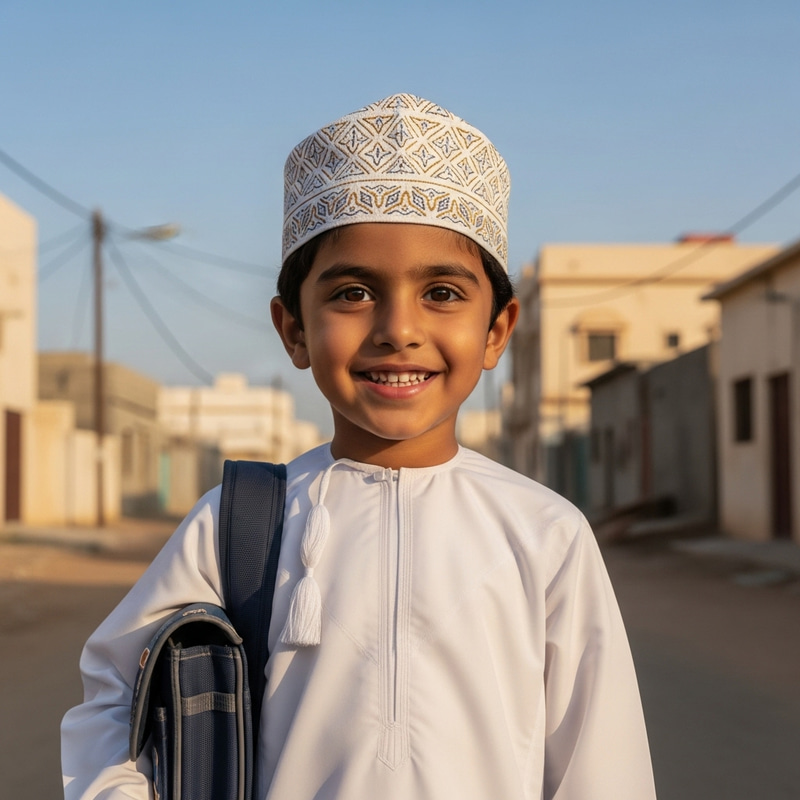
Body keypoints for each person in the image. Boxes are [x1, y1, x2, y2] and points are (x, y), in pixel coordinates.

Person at [62, 93, 657, 800]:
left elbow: (602, 760)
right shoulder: (240, 521)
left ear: (498, 330)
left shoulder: (545, 532)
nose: (397, 329)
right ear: (294, 330)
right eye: (352, 292)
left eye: (441, 292)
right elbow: (114, 699)